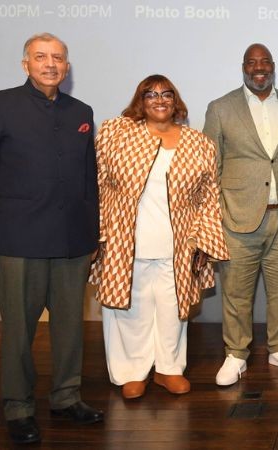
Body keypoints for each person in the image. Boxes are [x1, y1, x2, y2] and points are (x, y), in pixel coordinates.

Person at [0, 32, 103, 444]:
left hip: (71, 244)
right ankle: (19, 408)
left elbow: (87, 181)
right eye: (41, 57)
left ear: (67, 66)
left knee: (68, 329)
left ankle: (65, 397)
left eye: (58, 57)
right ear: (25, 64)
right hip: (17, 242)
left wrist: (92, 234)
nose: (50, 64)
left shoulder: (82, 110)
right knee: (19, 333)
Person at [91, 75, 229, 400]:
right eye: (150, 94)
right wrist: (96, 233)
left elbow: (210, 195)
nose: (159, 100)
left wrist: (204, 241)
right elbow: (96, 185)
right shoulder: (116, 134)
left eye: (167, 94)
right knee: (129, 308)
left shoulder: (198, 142)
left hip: (179, 244)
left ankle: (169, 369)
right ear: (140, 100)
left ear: (176, 100)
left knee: (173, 309)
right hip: (125, 240)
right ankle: (132, 372)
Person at [204, 43, 278, 386]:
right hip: (237, 217)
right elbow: (209, 168)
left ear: (273, 66)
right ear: (243, 67)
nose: (258, 67)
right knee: (236, 292)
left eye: (264, 62)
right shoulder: (220, 108)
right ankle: (236, 354)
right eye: (252, 62)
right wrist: (216, 215)